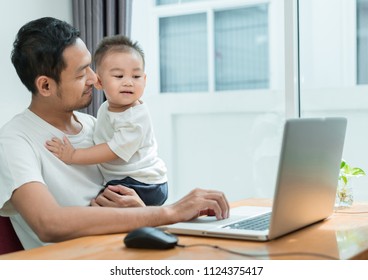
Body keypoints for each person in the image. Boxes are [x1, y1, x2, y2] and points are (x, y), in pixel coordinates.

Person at [0, 17, 229, 250]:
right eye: (81, 74)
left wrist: (143, 211)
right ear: (46, 86)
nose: (94, 78)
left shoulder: (95, 124)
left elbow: (130, 205)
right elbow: (48, 223)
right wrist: (169, 212)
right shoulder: (15, 140)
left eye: (90, 66)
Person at [46, 35, 168, 206]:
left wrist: (73, 155)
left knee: (100, 203)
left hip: (144, 183)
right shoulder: (106, 107)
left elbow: (113, 150)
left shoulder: (136, 118)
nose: (128, 83)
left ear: (145, 80)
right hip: (126, 178)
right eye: (119, 76)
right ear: (99, 82)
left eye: (136, 76)